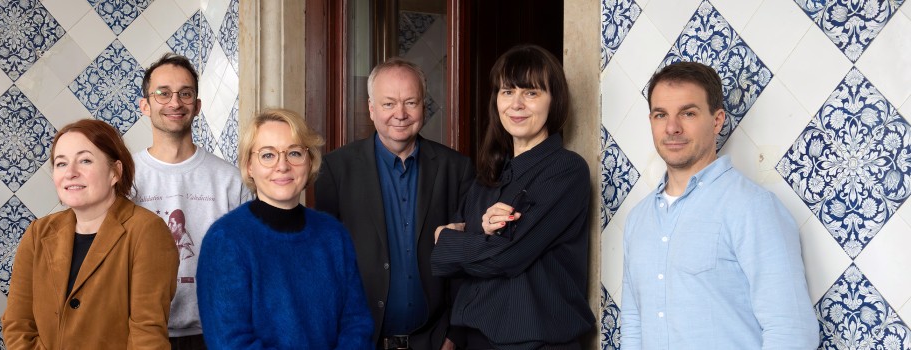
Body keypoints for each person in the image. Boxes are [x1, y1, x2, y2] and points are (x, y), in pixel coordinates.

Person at [619, 62, 817, 349]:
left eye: (688, 113)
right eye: (661, 115)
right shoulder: (638, 220)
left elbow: (791, 331)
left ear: (717, 121)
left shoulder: (752, 207)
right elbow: (633, 326)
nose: (672, 128)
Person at [430, 45, 593, 349]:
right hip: (475, 337)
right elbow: (456, 267)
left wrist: (445, 238)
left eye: (531, 93)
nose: (516, 104)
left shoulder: (566, 170)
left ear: (554, 100)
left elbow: (507, 257)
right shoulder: (488, 175)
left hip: (536, 342)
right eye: (507, 92)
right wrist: (455, 334)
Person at [315, 58, 473, 350]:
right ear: (371, 108)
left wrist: (455, 335)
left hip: (436, 341)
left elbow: (467, 262)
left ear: (424, 106)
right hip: (360, 341)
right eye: (388, 104)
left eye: (410, 102)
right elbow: (324, 265)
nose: (400, 114)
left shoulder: (457, 169)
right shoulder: (335, 170)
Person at [197, 109, 373, 349]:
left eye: (294, 153)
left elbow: (357, 324)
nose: (282, 166)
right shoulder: (225, 240)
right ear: (249, 166)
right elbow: (229, 342)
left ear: (310, 161)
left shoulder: (334, 235)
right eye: (268, 155)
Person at [2, 119, 179, 349]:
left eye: (85, 160)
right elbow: (17, 325)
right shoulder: (38, 233)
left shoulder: (147, 231)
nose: (71, 173)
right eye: (61, 163)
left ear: (115, 172)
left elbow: (147, 335)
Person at [132, 53, 250, 349]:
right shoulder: (124, 179)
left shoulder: (230, 180)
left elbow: (250, 260)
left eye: (185, 93)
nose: (175, 103)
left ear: (197, 106)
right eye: (163, 93)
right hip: (141, 330)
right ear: (145, 105)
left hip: (216, 330)